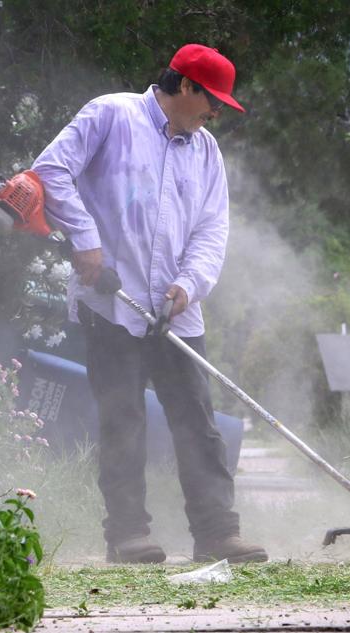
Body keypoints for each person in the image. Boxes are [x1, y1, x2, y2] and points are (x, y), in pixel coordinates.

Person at [31, 43, 267, 564]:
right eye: (213, 102)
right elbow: (51, 171)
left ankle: (217, 534)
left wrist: (189, 285)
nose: (215, 115)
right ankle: (128, 535)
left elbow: (211, 231)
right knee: (123, 419)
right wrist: (86, 239)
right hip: (110, 303)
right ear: (185, 86)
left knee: (197, 421)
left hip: (175, 310)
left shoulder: (206, 151)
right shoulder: (110, 115)